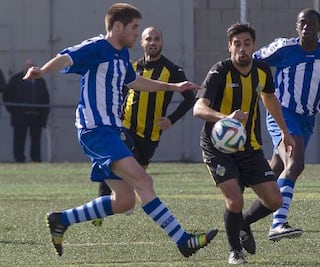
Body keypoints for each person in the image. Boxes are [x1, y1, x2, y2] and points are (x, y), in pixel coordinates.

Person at [23, 3, 217, 257]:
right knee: (143, 180)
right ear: (117, 27)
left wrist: (173, 87)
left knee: (124, 200)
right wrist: (42, 71)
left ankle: (62, 219)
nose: (138, 34)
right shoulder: (97, 47)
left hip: (110, 132)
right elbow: (66, 56)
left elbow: (134, 81)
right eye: (134, 28)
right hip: (96, 130)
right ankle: (183, 240)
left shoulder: (122, 55)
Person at [193, 22, 295, 264]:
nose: (242, 49)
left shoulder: (261, 70)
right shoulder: (220, 71)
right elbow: (198, 108)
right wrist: (225, 118)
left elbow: (269, 98)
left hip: (248, 147)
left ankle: (244, 224)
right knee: (235, 200)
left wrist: (285, 132)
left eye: (246, 44)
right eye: (236, 44)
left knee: (274, 200)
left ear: (253, 46)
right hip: (218, 148)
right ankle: (234, 251)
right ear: (229, 47)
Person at [253, 8, 320, 242]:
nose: (307, 27)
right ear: (297, 27)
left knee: (275, 170)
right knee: (296, 162)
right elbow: (251, 61)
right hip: (283, 113)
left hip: (307, 118)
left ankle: (242, 221)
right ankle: (278, 224)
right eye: (302, 23)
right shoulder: (284, 48)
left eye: (312, 23)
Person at [93, 26, 195, 226]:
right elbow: (119, 91)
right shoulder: (132, 66)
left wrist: (172, 119)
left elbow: (190, 98)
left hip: (150, 133)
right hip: (126, 127)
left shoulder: (173, 70)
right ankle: (100, 207)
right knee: (114, 164)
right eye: (149, 39)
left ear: (162, 43)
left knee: (137, 174)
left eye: (157, 39)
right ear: (142, 42)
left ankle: (121, 201)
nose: (153, 42)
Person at [3, 59, 50, 162]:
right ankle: (19, 160)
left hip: (36, 116)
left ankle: (36, 160)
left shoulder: (40, 81)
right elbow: (7, 96)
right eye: (28, 66)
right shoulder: (16, 79)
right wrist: (13, 111)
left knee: (36, 141)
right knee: (19, 140)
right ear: (24, 67)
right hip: (20, 116)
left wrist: (44, 116)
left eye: (32, 66)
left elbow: (45, 99)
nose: (30, 68)